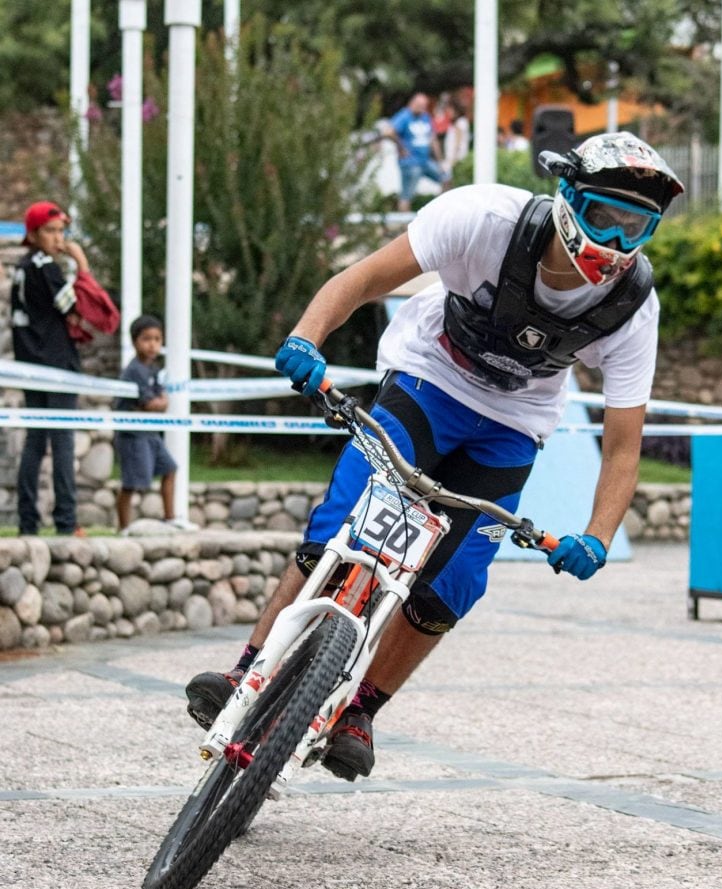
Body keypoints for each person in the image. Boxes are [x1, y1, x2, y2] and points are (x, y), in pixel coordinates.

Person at [186, 131, 684, 784]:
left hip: (511, 424)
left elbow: (623, 447)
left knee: (454, 581)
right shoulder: (483, 219)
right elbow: (360, 279)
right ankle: (249, 668)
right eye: (604, 219)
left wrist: (597, 536)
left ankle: (359, 711)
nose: (617, 246)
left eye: (636, 228)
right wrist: (307, 339)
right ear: (568, 199)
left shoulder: (631, 308)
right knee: (342, 522)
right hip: (429, 381)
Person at [11, 200, 89, 536]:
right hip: (55, 366)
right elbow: (76, 307)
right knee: (61, 442)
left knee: (35, 441)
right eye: (50, 231)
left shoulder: (24, 266)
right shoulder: (45, 267)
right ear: (34, 233)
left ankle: (28, 521)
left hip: (31, 365)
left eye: (61, 231)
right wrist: (81, 264)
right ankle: (66, 521)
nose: (58, 239)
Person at [114, 315, 189, 534]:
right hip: (132, 433)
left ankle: (170, 518)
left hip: (150, 432)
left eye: (157, 339)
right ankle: (123, 527)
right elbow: (151, 403)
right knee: (131, 482)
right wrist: (160, 402)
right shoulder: (134, 370)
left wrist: (160, 402)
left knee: (170, 468)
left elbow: (159, 400)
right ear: (135, 341)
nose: (153, 344)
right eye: (147, 339)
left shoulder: (154, 369)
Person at [386, 92, 448, 213]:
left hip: (425, 161)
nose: (422, 108)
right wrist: (401, 148)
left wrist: (440, 161)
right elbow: (389, 132)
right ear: (412, 103)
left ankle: (440, 213)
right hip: (410, 162)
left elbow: (433, 139)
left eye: (424, 105)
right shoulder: (404, 116)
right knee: (407, 195)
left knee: (446, 178)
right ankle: (404, 226)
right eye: (420, 105)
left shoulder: (425, 117)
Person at [443, 98, 471, 181]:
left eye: (449, 110)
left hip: (456, 159)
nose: (448, 112)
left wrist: (452, 161)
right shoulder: (457, 123)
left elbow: (458, 143)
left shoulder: (460, 123)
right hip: (453, 159)